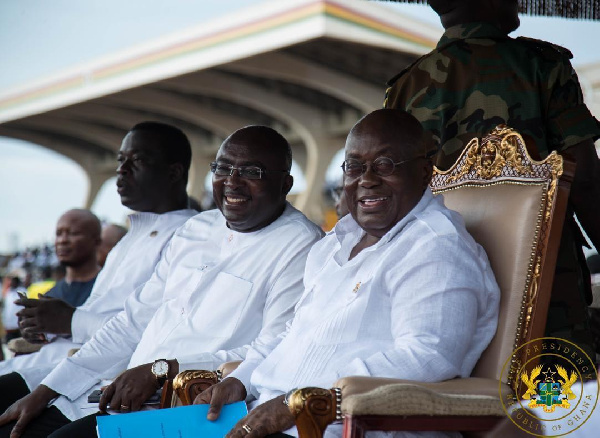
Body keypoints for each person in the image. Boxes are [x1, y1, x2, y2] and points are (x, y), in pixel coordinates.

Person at [0, 125, 324, 438]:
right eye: (223, 168)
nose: (232, 182)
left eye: (251, 172)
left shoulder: (301, 244)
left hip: (192, 409)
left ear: (286, 183)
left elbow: (271, 348)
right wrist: (46, 391)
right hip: (120, 396)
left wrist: (163, 370)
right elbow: (131, 322)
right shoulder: (196, 229)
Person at [197, 109, 500, 438]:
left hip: (342, 426)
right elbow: (293, 334)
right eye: (354, 166)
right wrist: (239, 380)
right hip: (266, 415)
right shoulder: (336, 242)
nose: (367, 179)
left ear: (424, 171)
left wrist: (300, 403)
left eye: (385, 165)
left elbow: (427, 356)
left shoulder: (437, 247)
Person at [384, 0, 600, 358]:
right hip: (547, 284)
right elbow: (586, 179)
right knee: (559, 405)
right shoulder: (541, 65)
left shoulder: (406, 87)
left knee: (473, 399)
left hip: (443, 281)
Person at [0, 121, 198, 425]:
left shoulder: (188, 237)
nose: (123, 170)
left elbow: (149, 329)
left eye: (138, 160)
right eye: (121, 160)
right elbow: (103, 314)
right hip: (62, 363)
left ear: (174, 172)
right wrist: (48, 326)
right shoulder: (129, 238)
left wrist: (70, 320)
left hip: (103, 378)